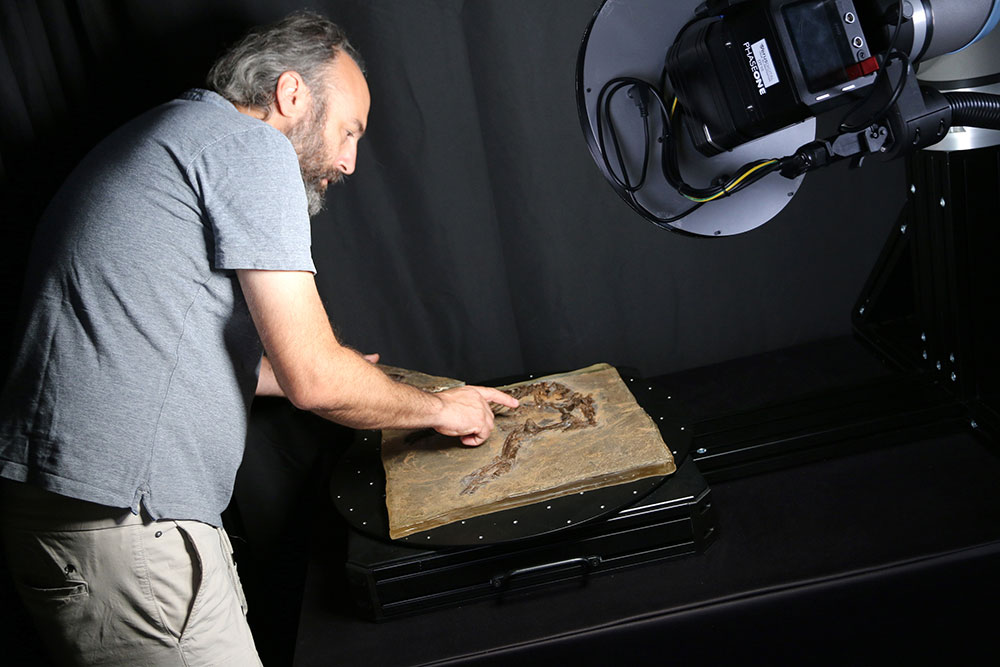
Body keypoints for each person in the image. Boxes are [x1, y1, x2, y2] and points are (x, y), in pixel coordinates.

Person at [0, 11, 517, 666]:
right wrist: (444, 407)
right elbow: (315, 379)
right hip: (129, 527)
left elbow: (166, 338)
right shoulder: (250, 146)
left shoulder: (173, 134)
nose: (350, 161)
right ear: (292, 94)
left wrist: (345, 373)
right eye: (348, 131)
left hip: (75, 521)